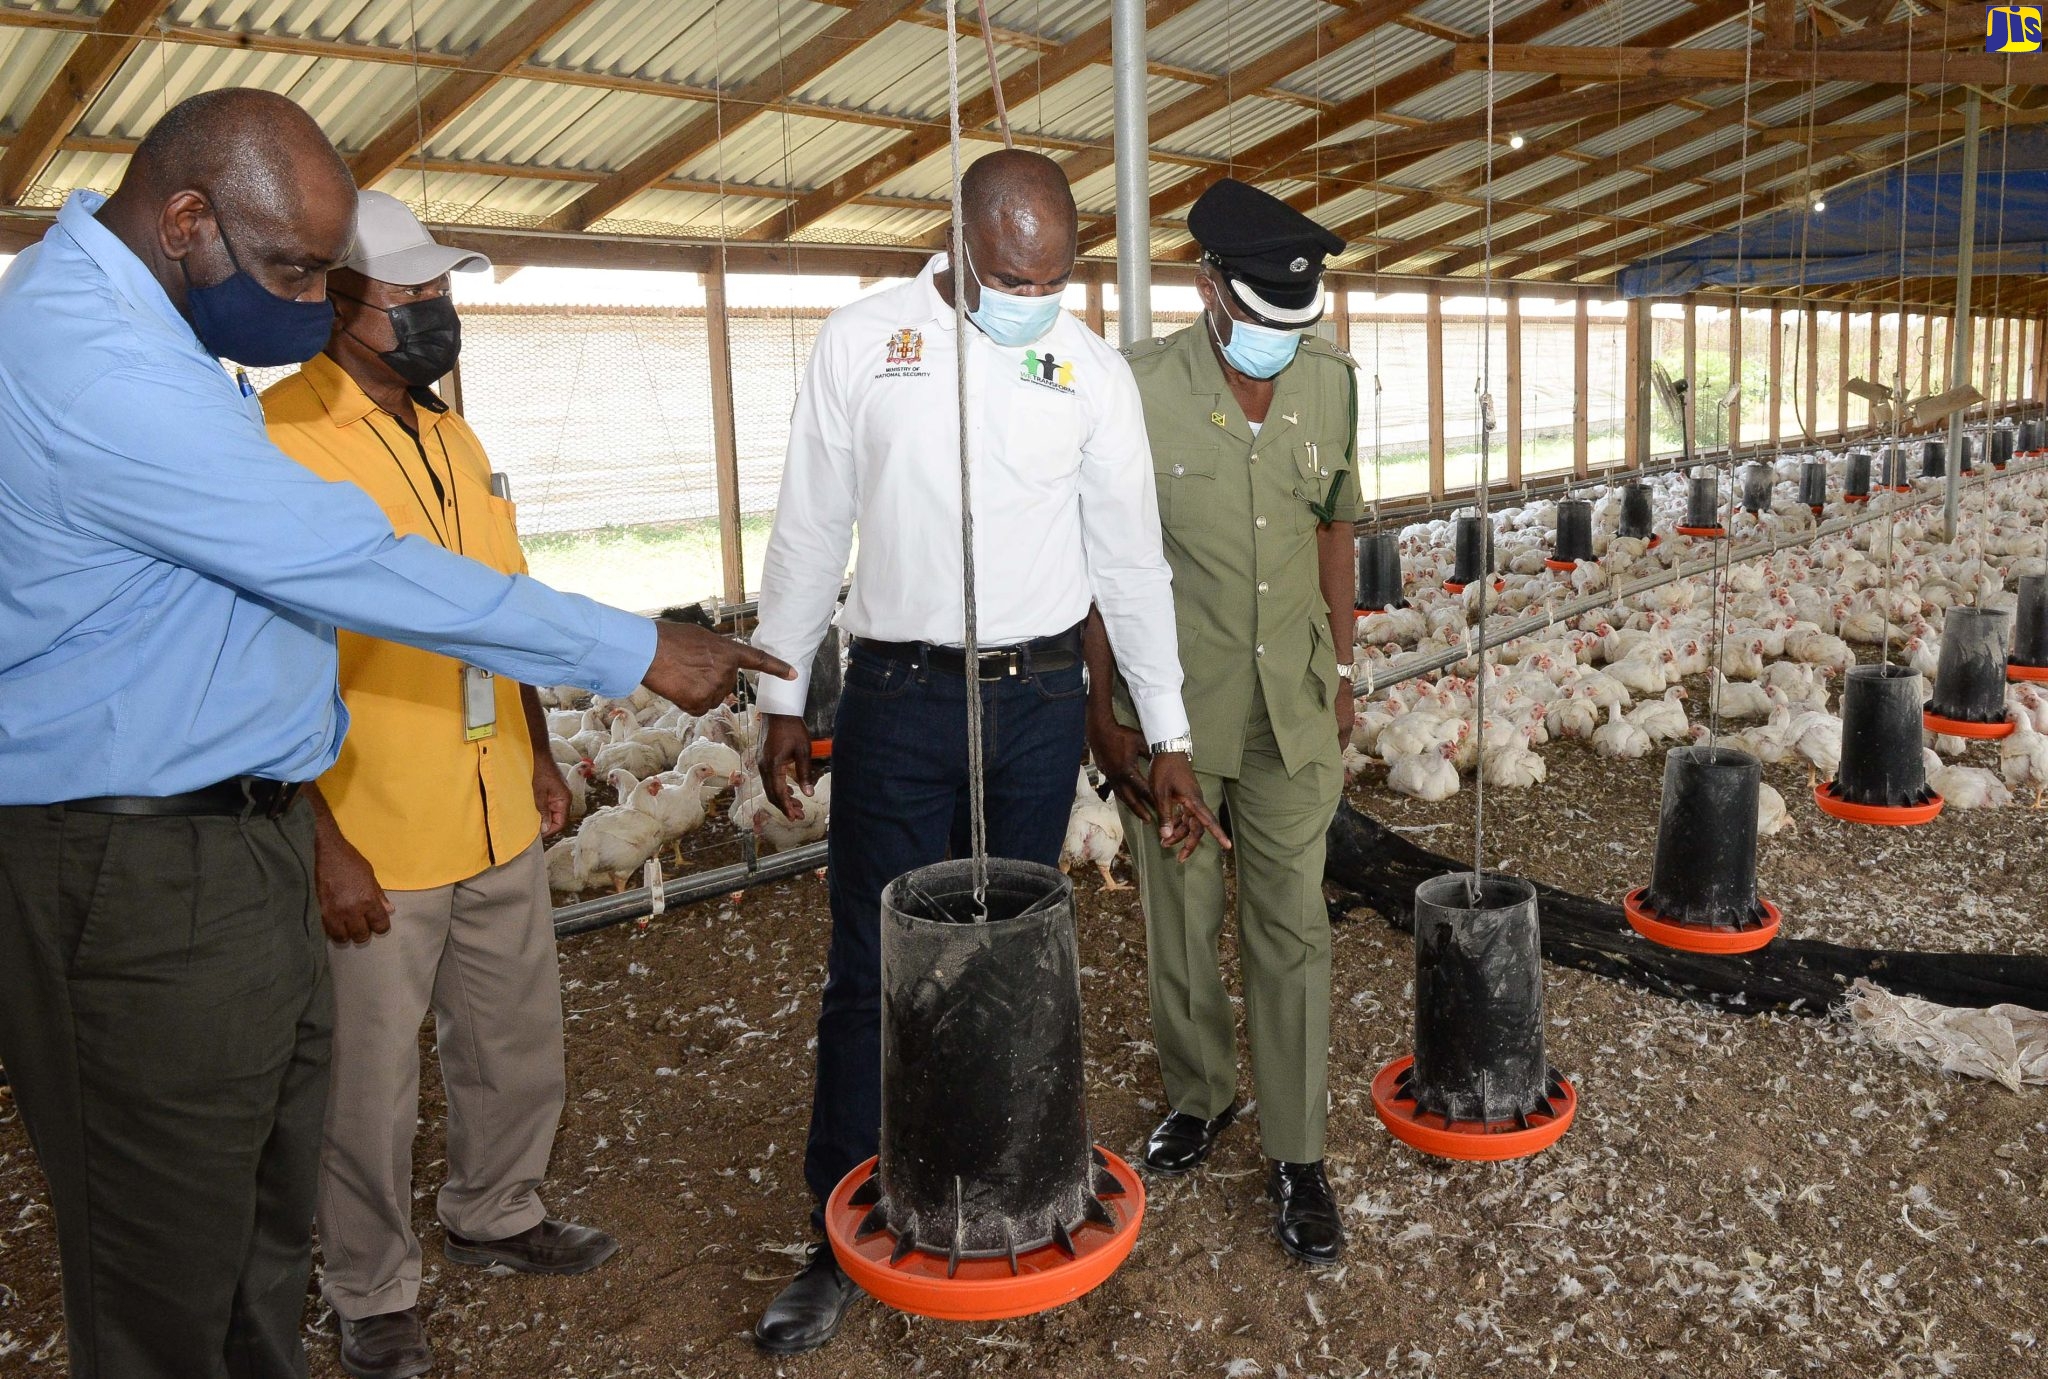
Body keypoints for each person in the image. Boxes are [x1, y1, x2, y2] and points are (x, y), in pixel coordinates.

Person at [0, 89, 790, 1379]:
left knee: (250, 1223)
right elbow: (354, 568)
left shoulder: (165, 343)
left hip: (240, 829)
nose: (312, 302)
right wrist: (635, 648)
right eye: (299, 271)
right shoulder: (106, 368)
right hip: (138, 859)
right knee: (168, 1266)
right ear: (186, 218)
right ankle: (370, 1287)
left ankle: (475, 1219)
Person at [745, 148, 1226, 1354]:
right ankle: (841, 1222)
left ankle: (995, 1185)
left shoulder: (1091, 370)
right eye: (1011, 274)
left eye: (1055, 275)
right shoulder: (863, 342)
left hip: (1035, 698)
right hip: (899, 694)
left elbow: (1128, 563)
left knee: (1008, 956)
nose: (1034, 296)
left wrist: (1162, 732)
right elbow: (809, 521)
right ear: (955, 244)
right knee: (872, 959)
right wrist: (782, 689)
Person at [259, 191, 613, 1379]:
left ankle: (498, 1209)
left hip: (492, 798)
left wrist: (540, 750)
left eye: (440, 295)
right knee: (365, 1082)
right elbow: (260, 663)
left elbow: (502, 612)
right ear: (336, 301)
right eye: (410, 298)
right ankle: (369, 1286)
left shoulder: (456, 437)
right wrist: (322, 842)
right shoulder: (276, 444)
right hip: (373, 821)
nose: (433, 315)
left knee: (516, 1039)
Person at [1084, 177, 1361, 1264]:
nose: (1278, 346)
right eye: (1259, 322)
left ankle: (1298, 1153)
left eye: (1297, 327)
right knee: (1180, 912)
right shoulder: (1133, 389)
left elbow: (1337, 524)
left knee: (1290, 924)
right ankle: (1200, 1094)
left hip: (1290, 708)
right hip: (1174, 717)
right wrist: (1104, 714)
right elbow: (1104, 564)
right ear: (1207, 285)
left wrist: (1342, 665)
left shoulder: (1330, 382)